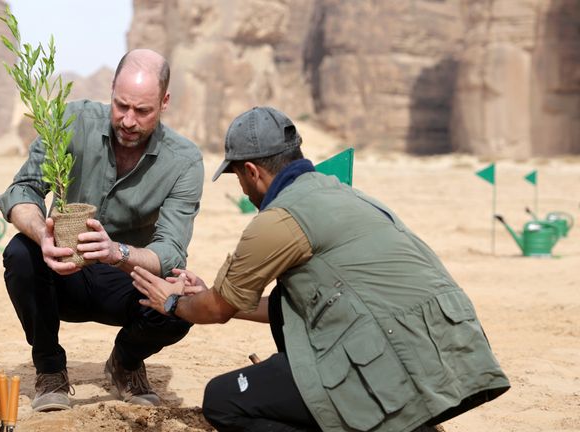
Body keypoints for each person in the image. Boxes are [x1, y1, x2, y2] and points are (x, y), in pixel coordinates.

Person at [130, 106, 510, 431]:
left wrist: (174, 302)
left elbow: (216, 311)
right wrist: (210, 295)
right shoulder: (344, 194)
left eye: (239, 178)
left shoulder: (278, 220)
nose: (244, 190)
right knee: (290, 307)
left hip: (399, 363)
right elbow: (284, 304)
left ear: (252, 171)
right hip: (455, 359)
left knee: (223, 399)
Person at [0, 48, 204, 412]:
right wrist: (42, 234)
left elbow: (171, 249)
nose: (128, 120)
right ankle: (49, 370)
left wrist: (115, 252)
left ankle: (125, 362)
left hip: (126, 279)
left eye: (143, 111)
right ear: (111, 90)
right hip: (63, 273)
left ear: (165, 101)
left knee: (180, 297)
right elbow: (22, 190)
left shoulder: (184, 161)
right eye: (121, 105)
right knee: (20, 253)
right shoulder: (70, 121)